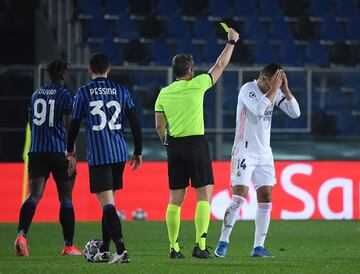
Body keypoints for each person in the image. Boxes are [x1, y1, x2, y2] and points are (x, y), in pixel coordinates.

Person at [155, 28, 240, 259]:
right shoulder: (198, 83)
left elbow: (159, 126)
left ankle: (174, 247)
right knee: (204, 196)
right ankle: (200, 246)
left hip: (174, 146)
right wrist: (231, 42)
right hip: (195, 144)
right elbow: (220, 65)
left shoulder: (164, 93)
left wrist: (166, 142)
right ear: (190, 71)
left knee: (175, 200)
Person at [214, 63, 301, 258]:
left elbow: (296, 113)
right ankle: (223, 240)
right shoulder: (248, 89)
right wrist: (273, 90)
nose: (276, 87)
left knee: (266, 197)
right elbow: (260, 110)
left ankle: (258, 247)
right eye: (274, 83)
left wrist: (285, 90)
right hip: (244, 151)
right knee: (239, 197)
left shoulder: (275, 91)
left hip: (264, 154)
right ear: (263, 79)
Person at [66, 53, 142, 264]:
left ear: (89, 71)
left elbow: (73, 125)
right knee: (109, 203)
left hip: (99, 156)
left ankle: (121, 250)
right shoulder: (121, 90)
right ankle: (105, 250)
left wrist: (69, 149)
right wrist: (138, 151)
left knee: (107, 205)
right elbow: (135, 123)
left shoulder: (83, 93)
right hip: (119, 154)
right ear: (108, 69)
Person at [15, 60, 82, 256]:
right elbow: (71, 128)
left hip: (37, 151)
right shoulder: (65, 95)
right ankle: (68, 246)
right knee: (66, 198)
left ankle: (21, 236)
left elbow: (31, 123)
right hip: (58, 151)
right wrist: (72, 154)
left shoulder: (36, 95)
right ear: (62, 75)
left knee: (33, 196)